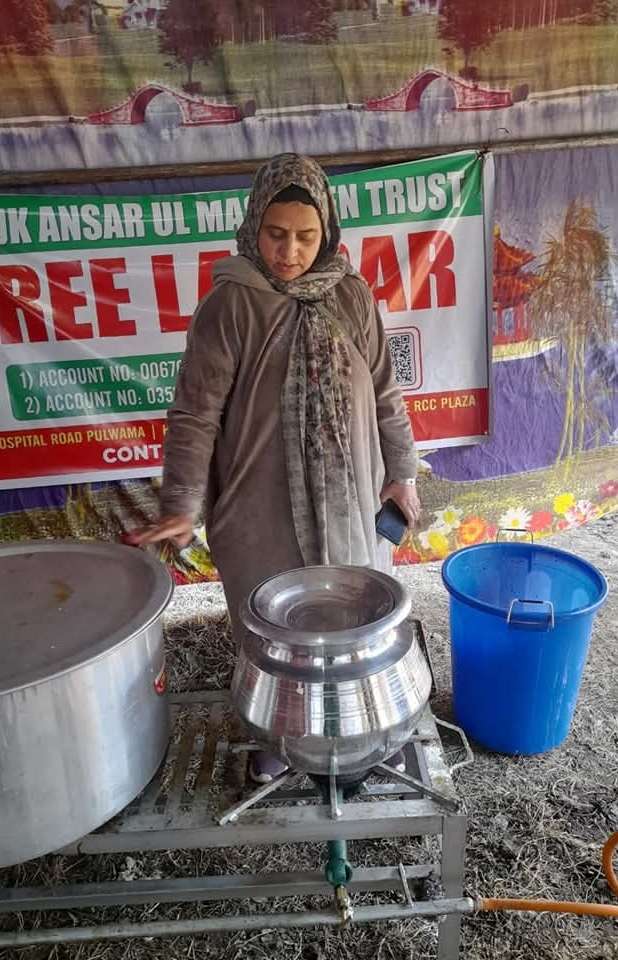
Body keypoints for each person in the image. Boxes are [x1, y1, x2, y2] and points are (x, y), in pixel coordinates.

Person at [127, 153, 420, 782]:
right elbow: (194, 415)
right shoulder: (230, 306)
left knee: (358, 617)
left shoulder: (352, 295)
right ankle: (276, 739)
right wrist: (181, 506)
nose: (290, 252)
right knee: (270, 630)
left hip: (352, 497)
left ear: (329, 232)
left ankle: (370, 731)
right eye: (276, 234)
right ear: (253, 227)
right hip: (261, 506)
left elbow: (386, 391)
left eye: (306, 236)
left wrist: (403, 474)